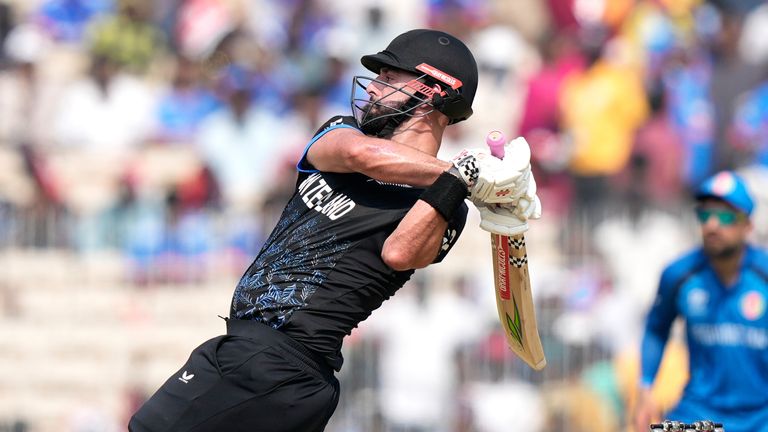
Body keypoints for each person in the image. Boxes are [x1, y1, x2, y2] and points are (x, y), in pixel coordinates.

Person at [129, 28, 540, 432]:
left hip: (273, 363)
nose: (373, 87)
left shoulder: (447, 204)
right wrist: (463, 174)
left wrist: (456, 184)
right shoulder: (343, 132)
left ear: (433, 92)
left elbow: (400, 254)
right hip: (275, 369)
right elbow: (361, 156)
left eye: (389, 77)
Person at [634, 171, 768, 432]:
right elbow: (656, 328)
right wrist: (646, 386)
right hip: (700, 415)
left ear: (747, 225)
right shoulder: (680, 274)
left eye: (725, 216)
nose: (713, 225)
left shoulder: (763, 275)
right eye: (705, 214)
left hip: (761, 417)